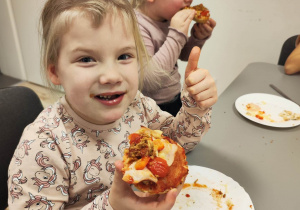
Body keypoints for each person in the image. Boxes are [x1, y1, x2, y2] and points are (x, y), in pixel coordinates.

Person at [7, 0, 217, 209]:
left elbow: (178, 143)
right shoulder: (43, 147)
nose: (111, 76)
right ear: (55, 71)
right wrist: (112, 206)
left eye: (124, 56)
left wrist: (195, 105)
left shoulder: (137, 105)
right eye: (87, 59)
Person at [130, 0, 217, 116]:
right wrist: (177, 34)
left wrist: (197, 38)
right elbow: (149, 81)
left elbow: (182, 55)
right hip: (150, 109)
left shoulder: (167, 19)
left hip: (175, 97)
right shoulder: (136, 25)